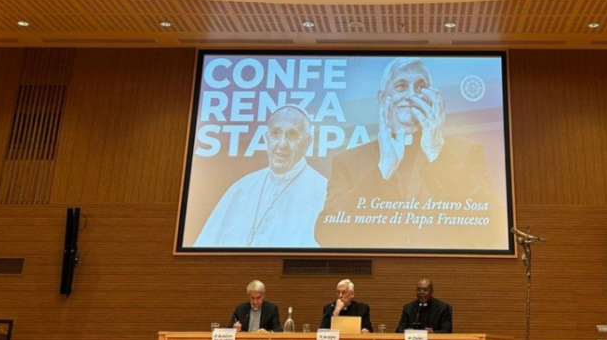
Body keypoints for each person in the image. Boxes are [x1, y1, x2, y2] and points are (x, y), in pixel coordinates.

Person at [315, 57, 495, 248]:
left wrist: (437, 155)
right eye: (401, 86)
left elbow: (491, 229)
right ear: (381, 97)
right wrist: (383, 170)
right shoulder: (348, 161)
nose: (411, 95)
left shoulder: (466, 153)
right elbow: (328, 236)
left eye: (420, 87)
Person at [194, 105, 327, 248]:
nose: (282, 144)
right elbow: (202, 247)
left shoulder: (324, 192)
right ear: (266, 138)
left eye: (292, 135)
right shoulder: (242, 188)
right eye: (276, 134)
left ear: (307, 142)